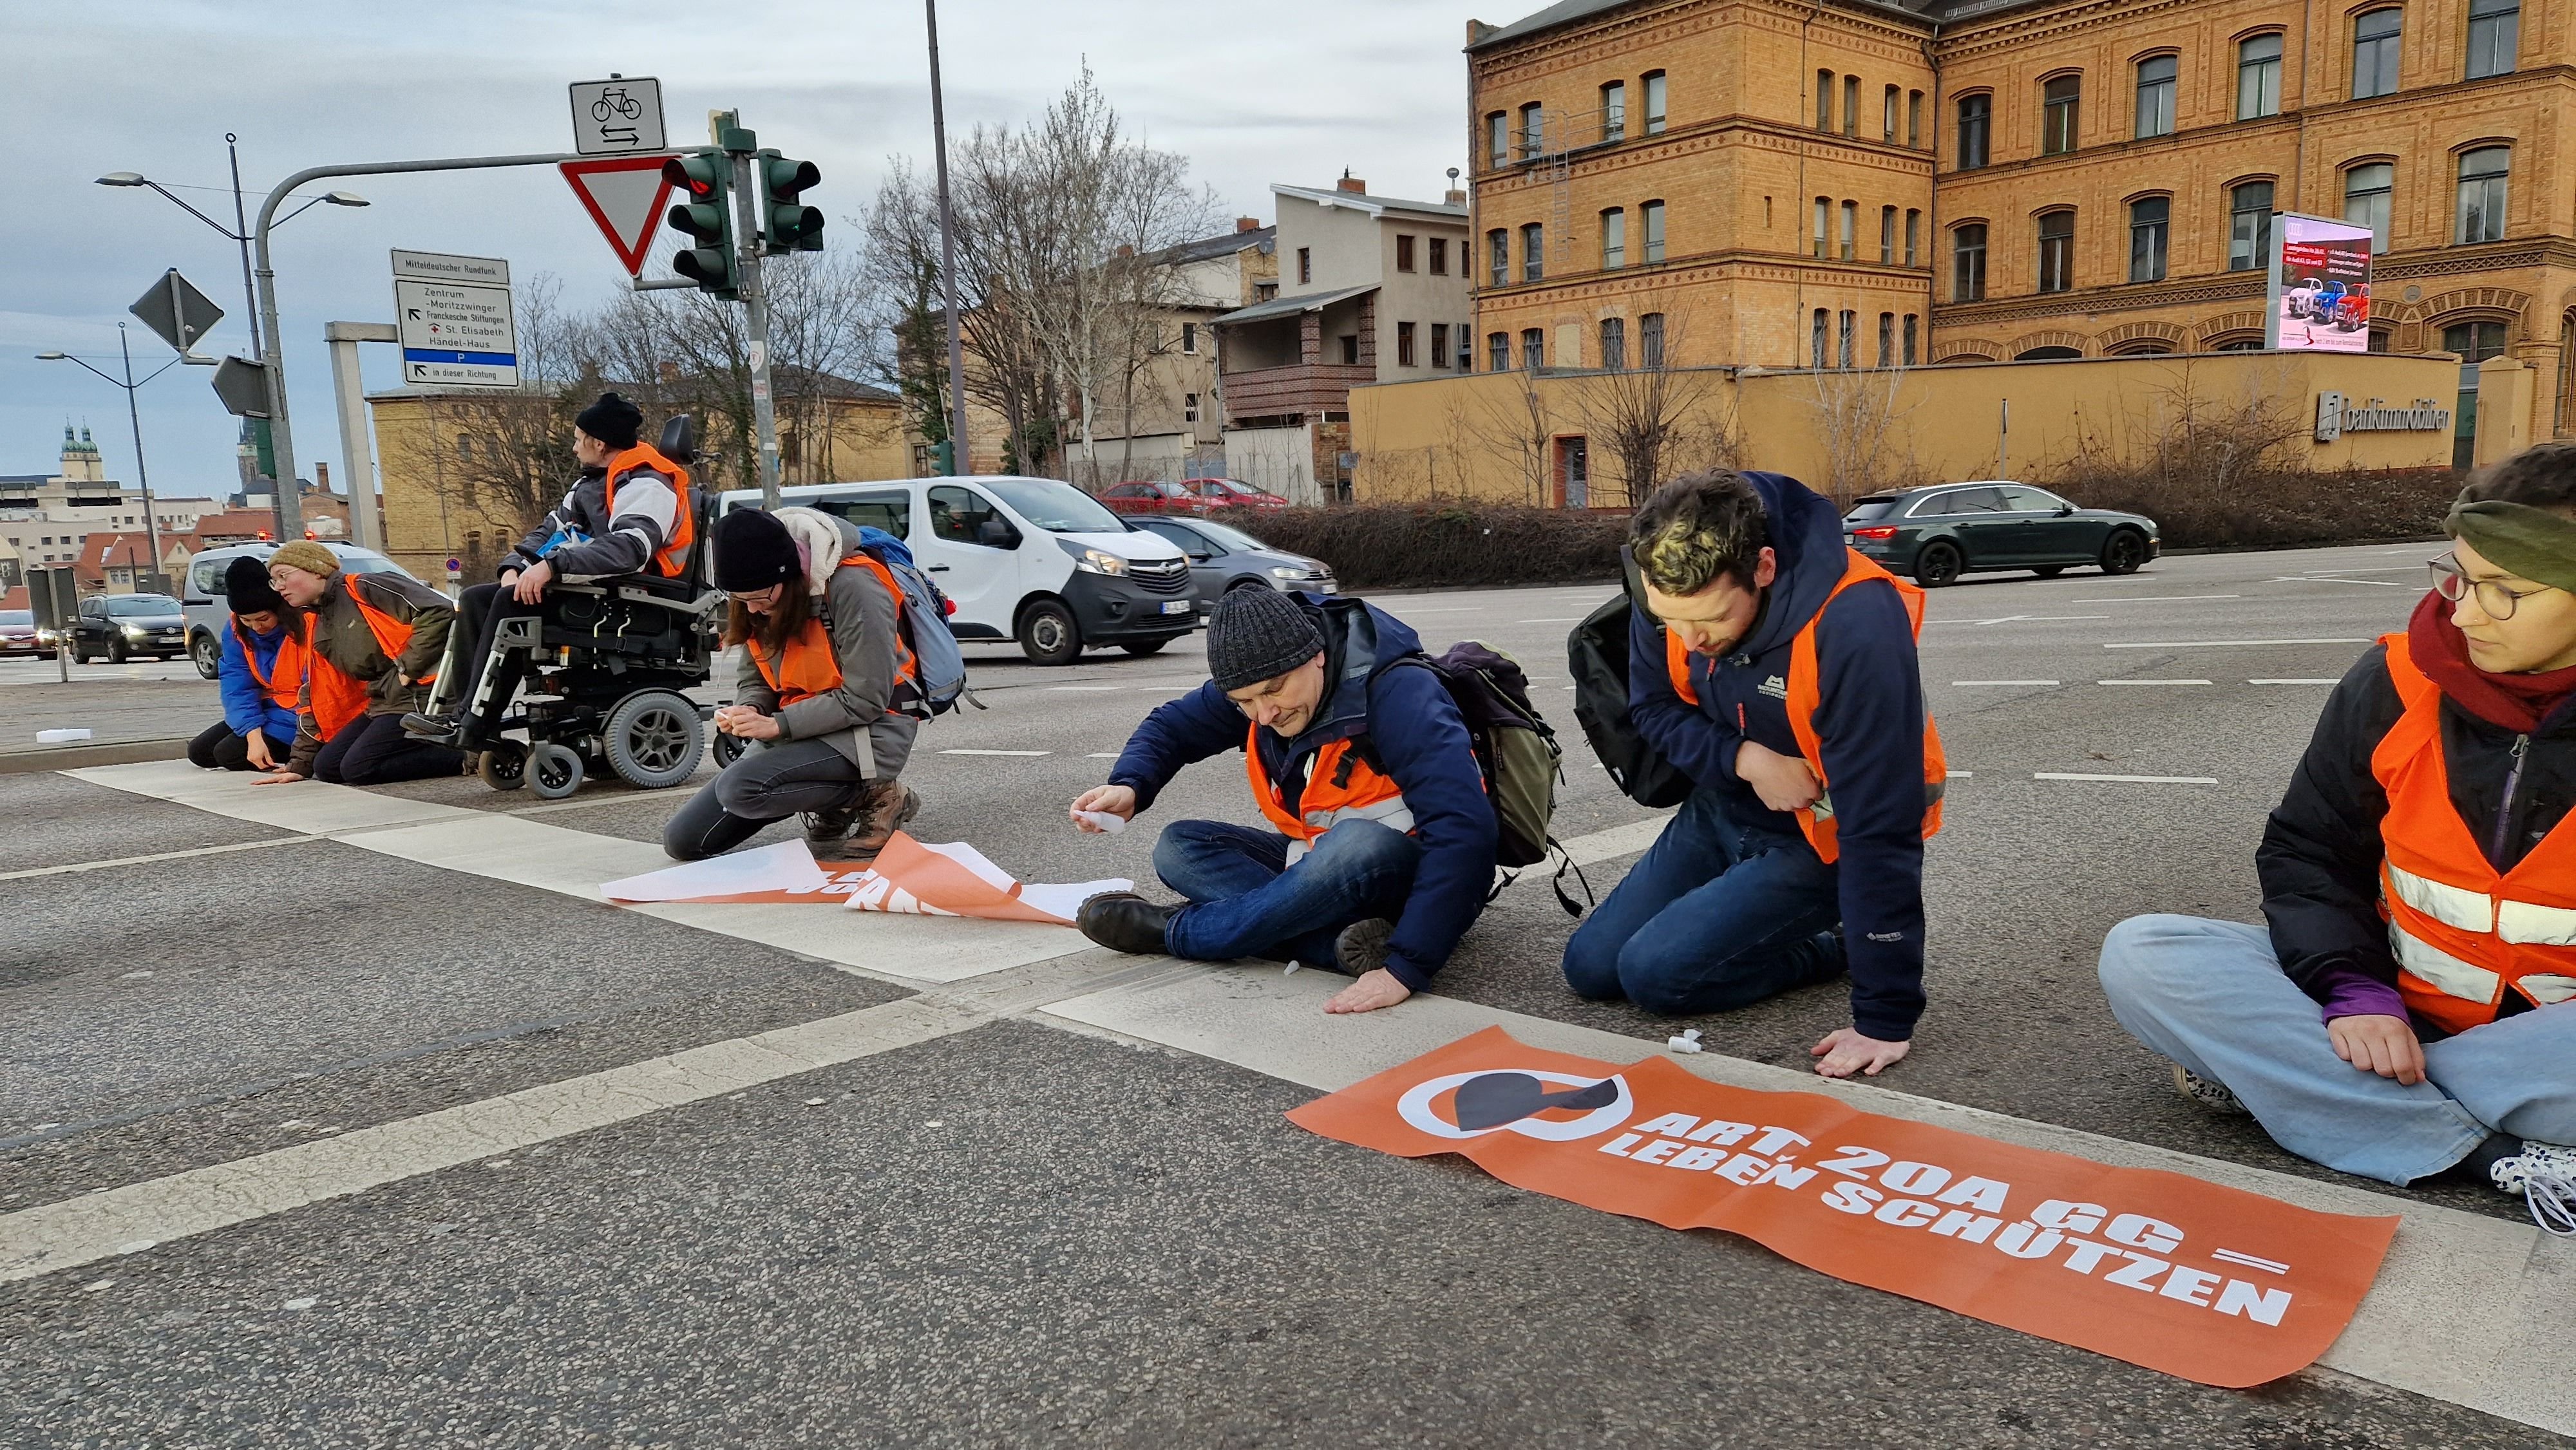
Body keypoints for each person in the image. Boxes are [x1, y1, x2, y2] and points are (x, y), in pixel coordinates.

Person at [2100, 445, 2576, 1229]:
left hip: (2552, 1047)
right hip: (2388, 1012)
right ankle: (2485, 1149)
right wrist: (2352, 990)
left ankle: (2297, 1087)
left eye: (2505, 592)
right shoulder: (2393, 681)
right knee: (2144, 953)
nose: (2461, 612)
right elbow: (2310, 851)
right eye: (2457, 576)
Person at [1560, 471, 1945, 1078]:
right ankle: (1750, 917)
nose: (1689, 639)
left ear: (1763, 568)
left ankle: (1833, 945)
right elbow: (1653, 708)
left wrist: (1885, 1015)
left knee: (1656, 977)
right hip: (1725, 806)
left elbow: (1881, 823)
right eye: (1672, 622)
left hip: (1821, 836)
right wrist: (1746, 759)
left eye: (1708, 620)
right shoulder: (1662, 587)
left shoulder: (1855, 620)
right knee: (1591, 969)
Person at [1068, 585, 1499, 1015]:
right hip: (1315, 863)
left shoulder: (1399, 692)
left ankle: (1175, 931)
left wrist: (1407, 967)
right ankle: (1329, 943)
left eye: (1274, 691)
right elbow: (1171, 728)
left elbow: (1464, 830)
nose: (1264, 715)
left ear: (1317, 654)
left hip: (1409, 879)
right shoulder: (1257, 686)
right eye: (1244, 702)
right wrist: (1130, 785)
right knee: (1179, 846)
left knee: (1357, 844)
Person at [404, 391, 696, 751]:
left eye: (577, 440)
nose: (574, 449)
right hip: (597, 590)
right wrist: (515, 566)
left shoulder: (647, 482)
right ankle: (464, 715)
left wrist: (553, 567)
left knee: (510, 605)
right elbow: (550, 530)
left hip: (640, 598)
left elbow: (631, 549)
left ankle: (474, 722)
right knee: (476, 598)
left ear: (599, 443)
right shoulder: (590, 483)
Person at [663, 507, 922, 863]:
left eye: (759, 599)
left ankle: (875, 794)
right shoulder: (756, 598)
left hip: (869, 728)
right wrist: (750, 708)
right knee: (685, 842)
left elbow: (867, 698)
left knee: (741, 789)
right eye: (741, 600)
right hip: (800, 727)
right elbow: (756, 677)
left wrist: (777, 725)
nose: (752, 611)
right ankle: (834, 799)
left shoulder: (854, 587)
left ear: (790, 577)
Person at [255, 541, 465, 787]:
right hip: (383, 701)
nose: (279, 587)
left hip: (420, 696)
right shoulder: (321, 618)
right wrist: (300, 764)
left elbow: (439, 610)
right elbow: (317, 691)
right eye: (274, 580)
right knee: (327, 767)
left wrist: (408, 668)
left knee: (358, 768)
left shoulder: (366, 588)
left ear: (317, 570)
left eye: (284, 576)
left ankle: (466, 757)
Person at [186, 554, 303, 773]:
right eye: (246, 620)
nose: (256, 627)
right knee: (199, 752)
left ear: (278, 609)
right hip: (268, 708)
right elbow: (237, 685)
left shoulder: (301, 627)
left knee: (228, 755)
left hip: (297, 715)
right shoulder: (234, 631)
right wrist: (253, 732)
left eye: (263, 619)